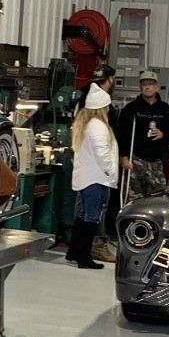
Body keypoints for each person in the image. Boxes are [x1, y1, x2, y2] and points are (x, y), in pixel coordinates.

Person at [67, 82, 118, 270]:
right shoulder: (98, 127)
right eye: (107, 106)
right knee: (92, 218)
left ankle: (74, 251)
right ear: (101, 107)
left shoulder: (85, 124)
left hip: (86, 177)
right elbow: (102, 153)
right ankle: (84, 257)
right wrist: (111, 171)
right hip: (96, 178)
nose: (109, 109)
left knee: (83, 215)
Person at [116, 69, 169, 202]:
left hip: (157, 161)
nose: (147, 87)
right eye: (144, 84)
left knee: (157, 200)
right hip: (135, 160)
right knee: (132, 199)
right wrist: (124, 157)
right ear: (140, 87)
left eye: (151, 84)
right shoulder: (131, 109)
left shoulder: (165, 109)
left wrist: (163, 135)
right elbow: (122, 135)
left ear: (157, 87)